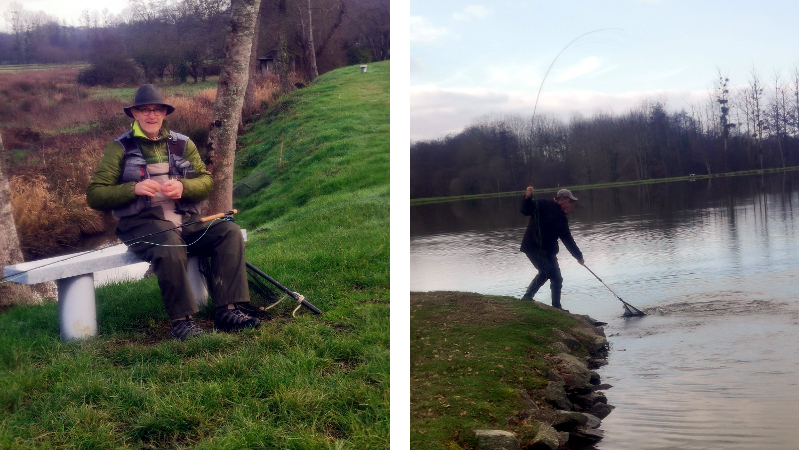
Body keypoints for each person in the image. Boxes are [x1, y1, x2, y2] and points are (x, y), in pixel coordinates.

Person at [86, 84, 260, 340]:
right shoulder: (118, 148)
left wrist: (184, 186)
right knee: (168, 239)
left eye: (157, 109)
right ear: (134, 114)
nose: (151, 115)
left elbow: (207, 181)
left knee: (229, 232)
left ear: (165, 113)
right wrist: (133, 189)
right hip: (140, 225)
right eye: (144, 110)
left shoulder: (183, 143)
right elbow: (95, 195)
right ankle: (183, 322)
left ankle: (228, 310)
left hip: (186, 221)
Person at [519, 186, 584, 310]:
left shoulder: (562, 217)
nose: (570, 205)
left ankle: (556, 307)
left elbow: (567, 239)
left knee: (557, 278)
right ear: (562, 199)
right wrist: (527, 197)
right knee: (545, 272)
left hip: (548, 250)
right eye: (569, 202)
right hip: (533, 247)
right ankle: (527, 297)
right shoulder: (543, 204)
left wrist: (578, 256)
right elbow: (525, 210)